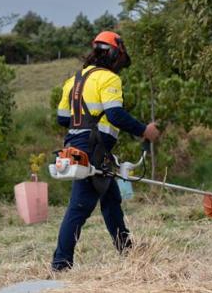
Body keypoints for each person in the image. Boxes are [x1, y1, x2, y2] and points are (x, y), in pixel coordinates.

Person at [51, 30, 160, 272]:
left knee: (111, 199)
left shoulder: (73, 80)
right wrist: (144, 130)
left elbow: (61, 118)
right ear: (113, 55)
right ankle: (60, 264)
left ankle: (126, 249)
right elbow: (115, 114)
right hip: (93, 147)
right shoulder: (109, 79)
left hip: (77, 144)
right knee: (79, 207)